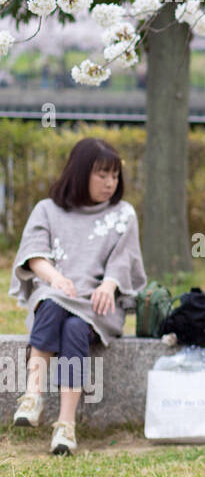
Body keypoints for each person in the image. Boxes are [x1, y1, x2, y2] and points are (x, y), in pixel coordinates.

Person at [8, 138, 148, 456]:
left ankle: (58, 417)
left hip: (98, 305)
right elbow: (33, 255)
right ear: (80, 172)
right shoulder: (48, 210)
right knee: (56, 307)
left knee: (72, 323)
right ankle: (42, 404)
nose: (110, 183)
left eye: (114, 175)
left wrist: (109, 285)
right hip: (55, 296)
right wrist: (56, 278)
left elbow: (124, 261)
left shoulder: (123, 214)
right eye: (102, 174)